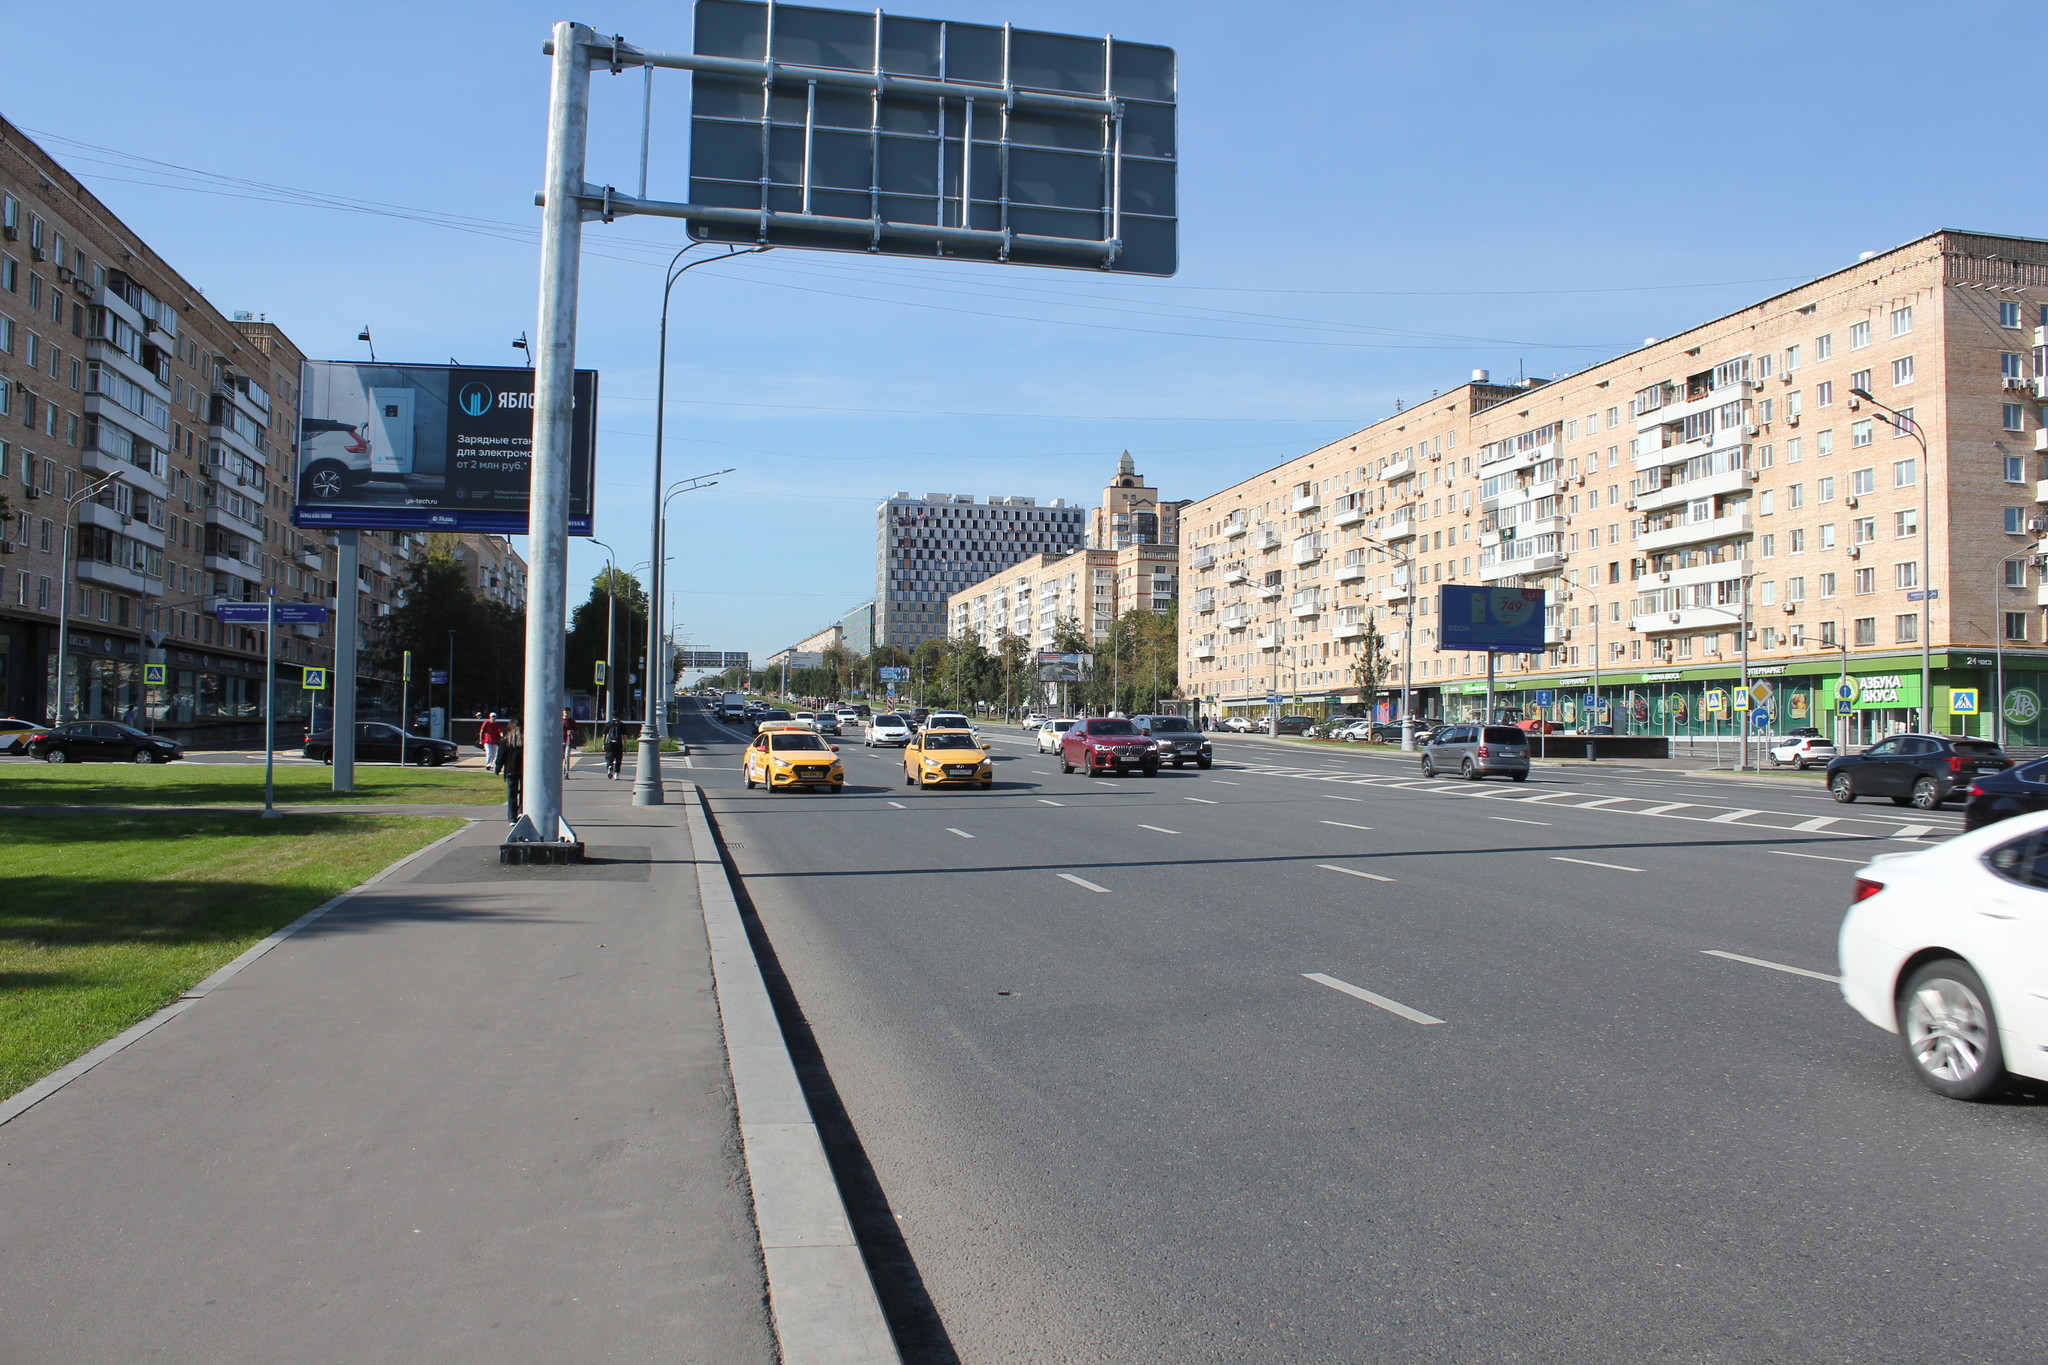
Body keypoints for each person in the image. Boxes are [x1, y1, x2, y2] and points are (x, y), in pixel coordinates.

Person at [501, 718, 524, 822]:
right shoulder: (525, 740)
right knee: (524, 793)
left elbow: (501, 756)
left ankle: (512, 818)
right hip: (524, 771)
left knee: (511, 795)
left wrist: (497, 768)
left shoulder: (506, 740)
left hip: (511, 770)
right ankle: (521, 811)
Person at [561, 707, 579, 775]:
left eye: (567, 712)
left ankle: (566, 772)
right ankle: (560, 770)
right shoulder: (560, 720)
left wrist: (572, 732)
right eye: (565, 712)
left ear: (570, 713)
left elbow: (576, 731)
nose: (566, 714)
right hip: (561, 740)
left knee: (567, 756)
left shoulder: (572, 721)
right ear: (563, 712)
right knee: (561, 757)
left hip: (569, 740)